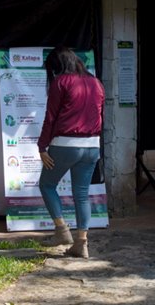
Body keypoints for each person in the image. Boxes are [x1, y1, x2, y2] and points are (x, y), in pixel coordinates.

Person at [37, 46, 105, 259]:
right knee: (82, 194)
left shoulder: (61, 82)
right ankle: (81, 244)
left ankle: (61, 230)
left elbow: (50, 118)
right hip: (92, 145)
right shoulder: (96, 82)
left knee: (47, 185)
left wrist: (41, 147)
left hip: (65, 144)